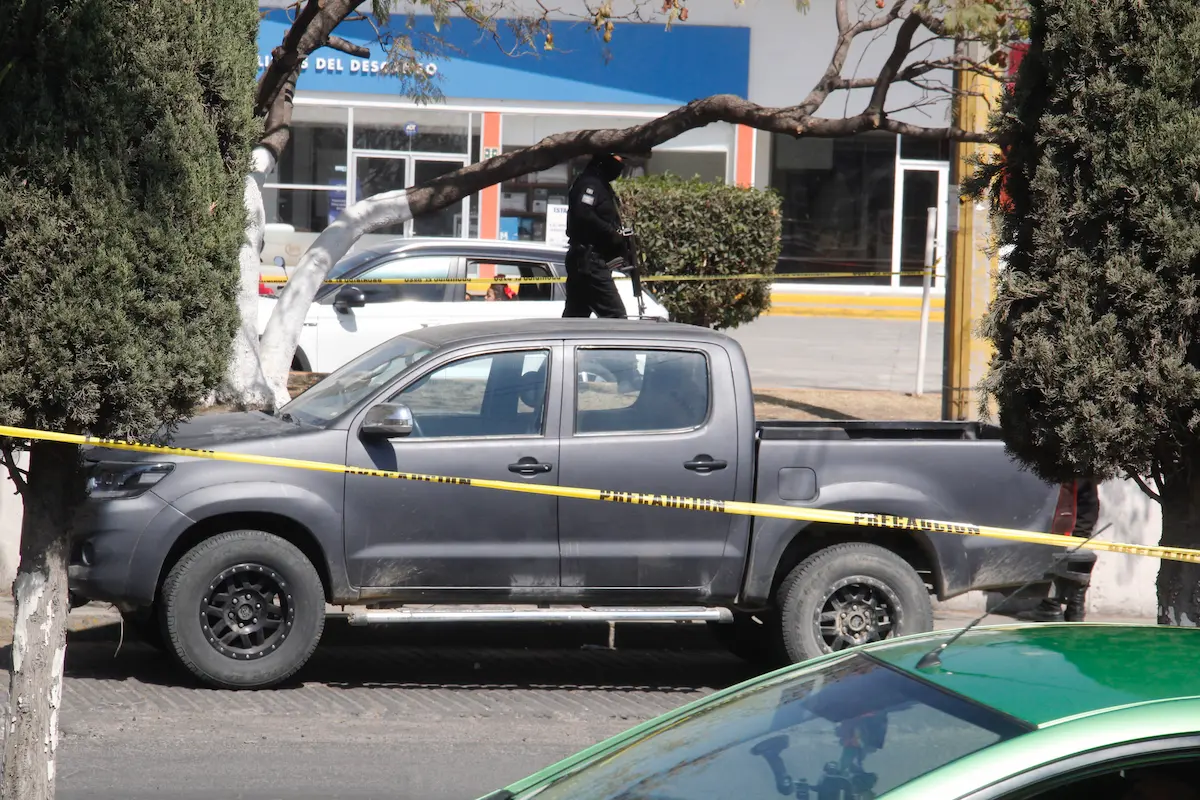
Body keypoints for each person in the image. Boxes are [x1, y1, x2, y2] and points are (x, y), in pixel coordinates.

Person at [1020, 479, 1099, 622]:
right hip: (1085, 499)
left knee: (1056, 547)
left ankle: (1051, 605)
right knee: (1079, 545)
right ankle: (1075, 607)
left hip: (1068, 500)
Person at [563, 153, 629, 319]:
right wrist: (610, 232)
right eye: (618, 161)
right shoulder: (590, 183)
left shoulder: (600, 184)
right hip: (589, 262)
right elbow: (583, 213)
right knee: (616, 317)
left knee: (576, 318)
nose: (620, 167)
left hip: (589, 260)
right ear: (604, 160)